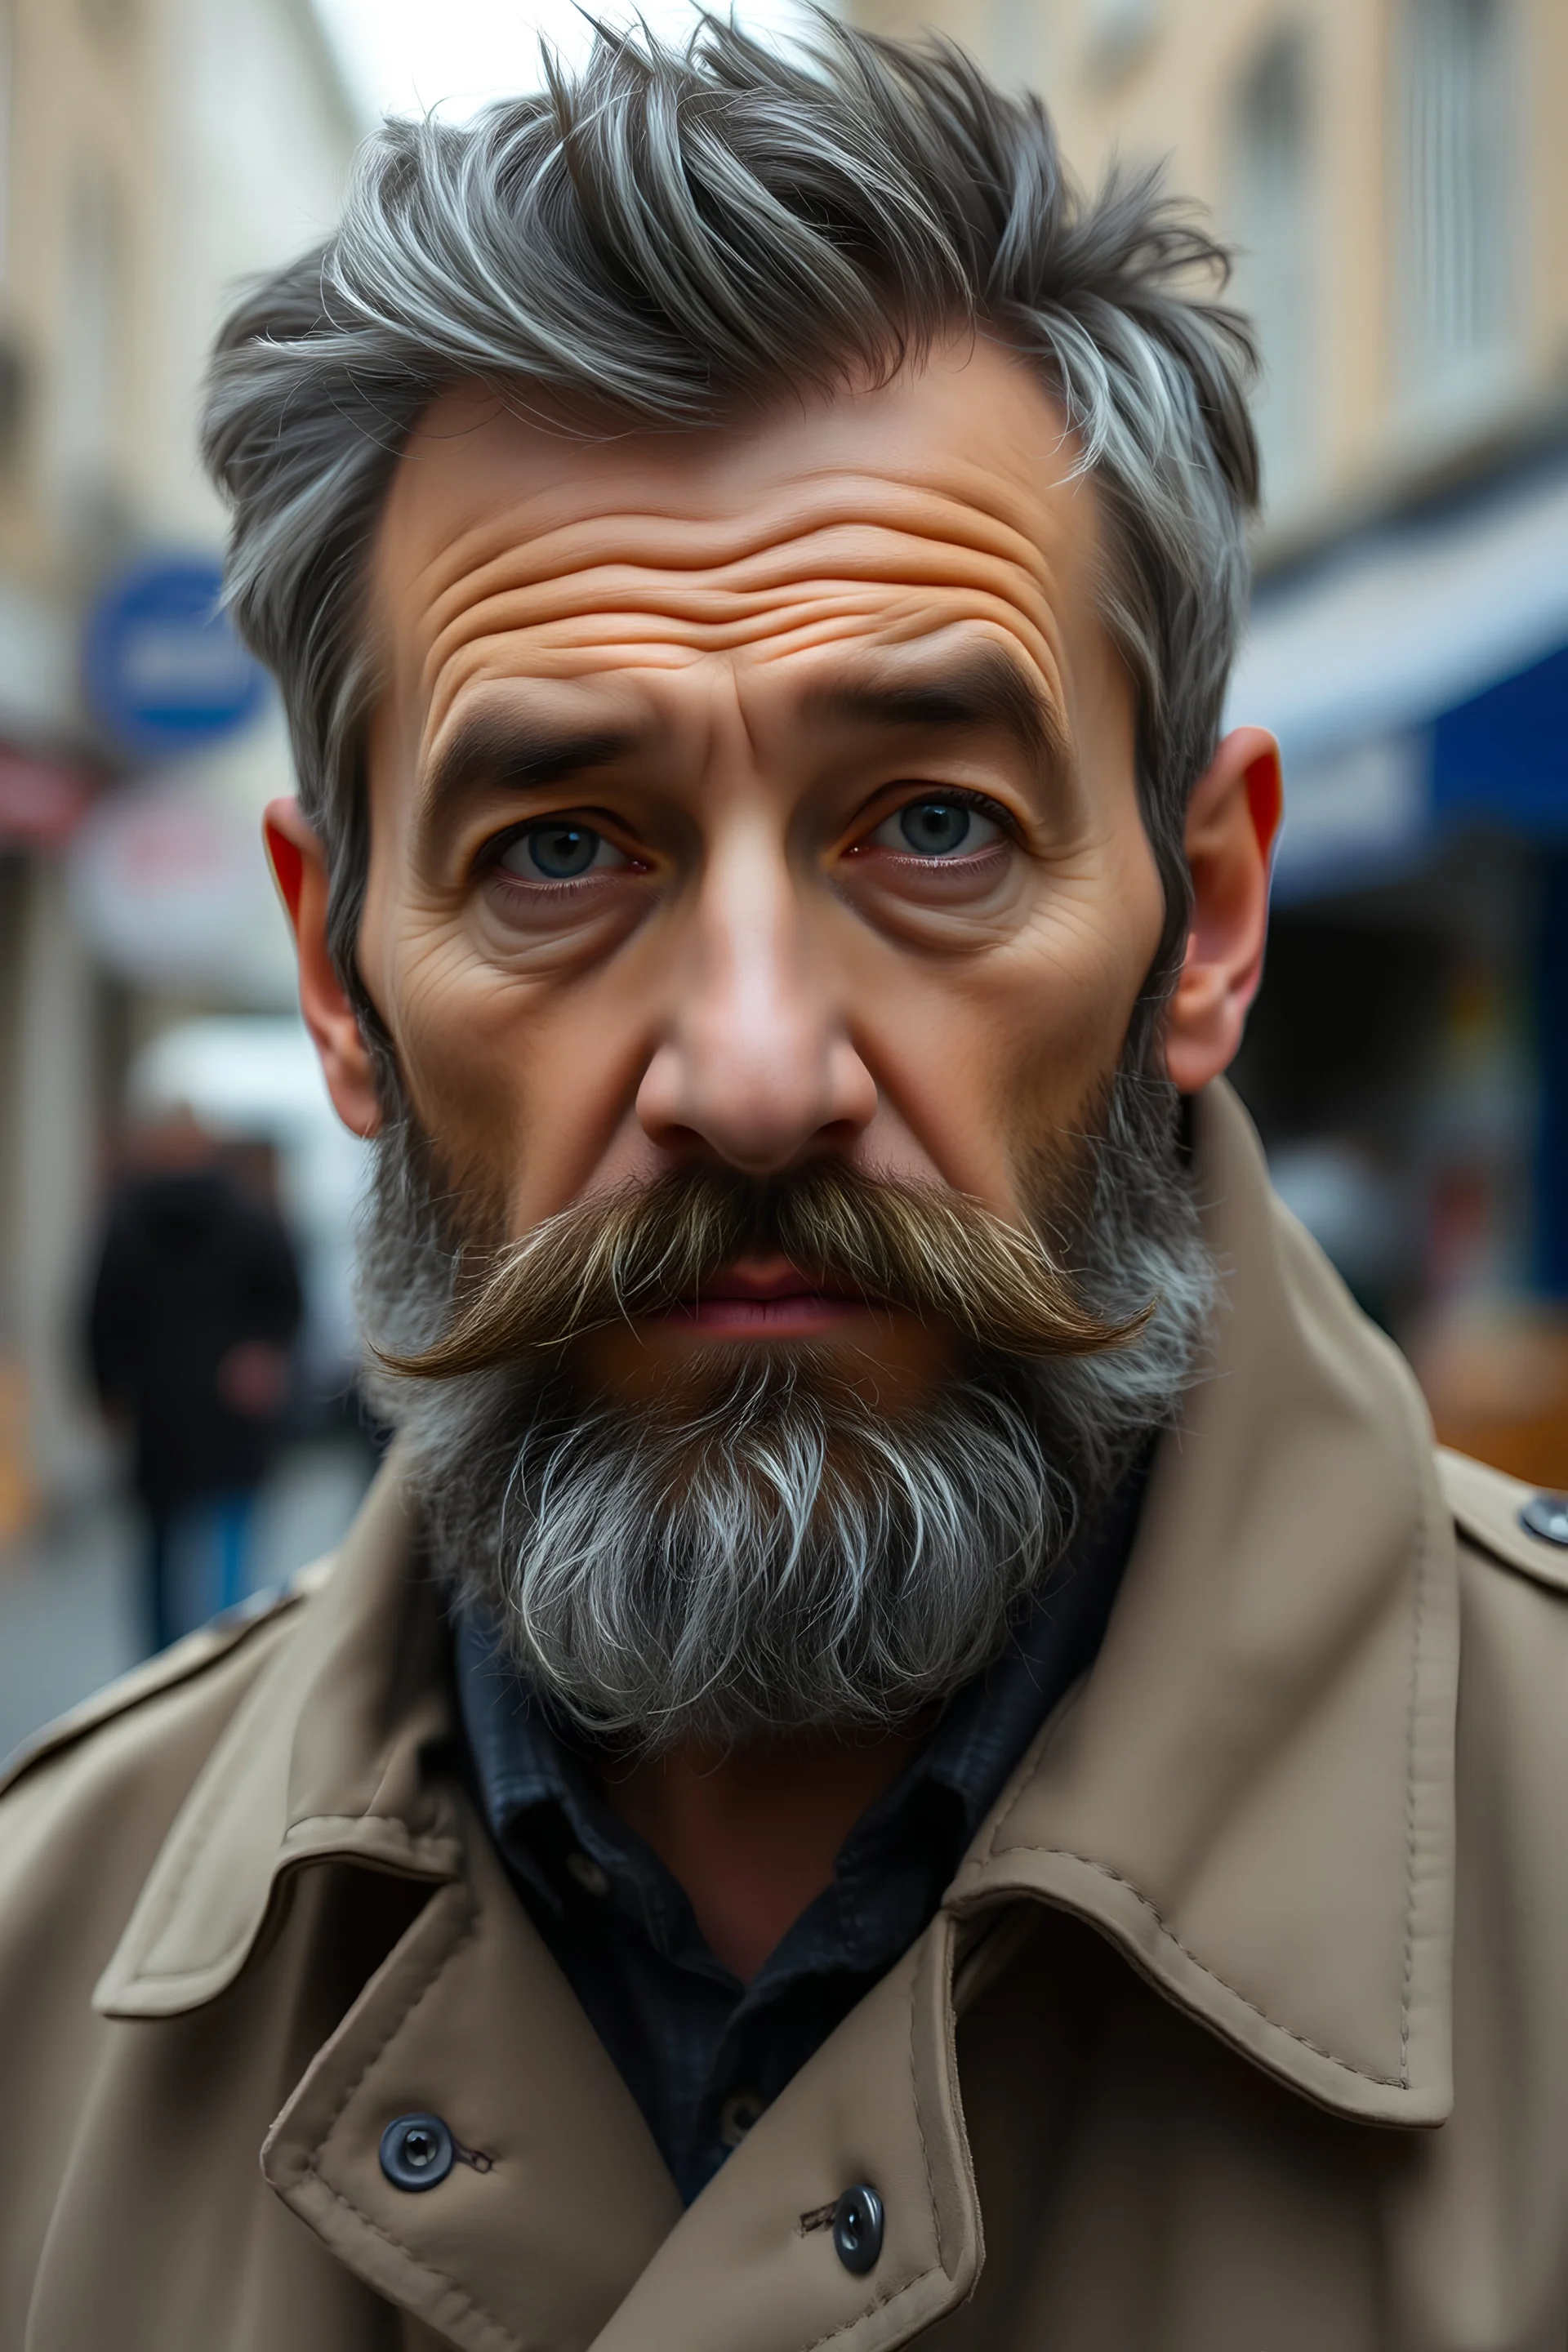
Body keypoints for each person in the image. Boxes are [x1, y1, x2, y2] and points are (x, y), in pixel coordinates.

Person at [2, 24, 1566, 2349]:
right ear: (339, 980)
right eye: (558, 851)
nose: (750, 1077)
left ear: (1206, 918)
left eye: (931, 825)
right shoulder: (45, 1989)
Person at [86, 1107, 303, 1650]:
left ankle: (160, 1673)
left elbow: (98, 1317)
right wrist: (265, 1353)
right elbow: (288, 1301)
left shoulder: (128, 1220)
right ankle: (225, 1662)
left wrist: (105, 1391)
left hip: (159, 1417)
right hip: (227, 1417)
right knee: (226, 1555)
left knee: (161, 1557)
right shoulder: (247, 1213)